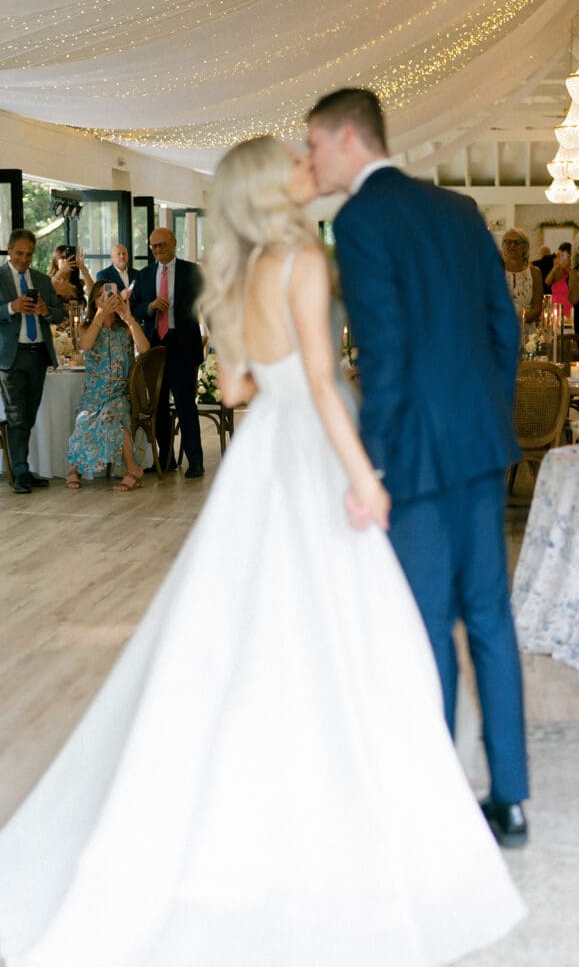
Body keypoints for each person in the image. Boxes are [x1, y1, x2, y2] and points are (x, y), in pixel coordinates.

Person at [0, 135, 526, 967]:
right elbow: (322, 383)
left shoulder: (239, 273)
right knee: (349, 618)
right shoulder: (304, 261)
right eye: (289, 162)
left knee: (248, 621)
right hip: (315, 449)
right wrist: (367, 476)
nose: (302, 166)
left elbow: (240, 387)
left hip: (259, 460)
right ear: (269, 188)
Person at [307, 87, 529, 846]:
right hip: (479, 444)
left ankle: (438, 801)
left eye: (313, 143)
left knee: (427, 624)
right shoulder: (461, 210)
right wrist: (486, 419)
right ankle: (513, 799)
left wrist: (376, 467)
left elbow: (386, 356)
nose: (310, 159)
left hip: (417, 455)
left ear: (346, 138)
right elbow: (507, 330)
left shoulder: (361, 220)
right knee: (492, 623)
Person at [130, 228, 205, 477]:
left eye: (162, 245)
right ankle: (166, 459)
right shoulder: (144, 275)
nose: (158, 250)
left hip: (182, 345)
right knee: (158, 406)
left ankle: (195, 460)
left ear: (174, 243)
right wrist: (150, 306)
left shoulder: (191, 271)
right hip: (155, 349)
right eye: (153, 247)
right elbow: (134, 309)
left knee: (185, 406)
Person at [65, 281, 150, 492]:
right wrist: (100, 316)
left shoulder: (125, 327)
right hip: (93, 394)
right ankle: (74, 469)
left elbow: (145, 348)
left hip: (120, 393)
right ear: (94, 301)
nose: (107, 298)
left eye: (109, 294)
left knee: (111, 417)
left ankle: (133, 469)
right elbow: (84, 345)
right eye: (101, 295)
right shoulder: (87, 325)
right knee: (83, 419)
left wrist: (129, 318)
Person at [0, 228, 64, 493]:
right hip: (10, 358)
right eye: (19, 253)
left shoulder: (41, 280)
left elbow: (58, 316)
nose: (24, 259)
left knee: (28, 416)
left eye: (29, 254)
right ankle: (21, 474)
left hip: (38, 355)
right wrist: (11, 307)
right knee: (16, 416)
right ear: (9, 249)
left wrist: (45, 310)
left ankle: (22, 468)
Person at [500, 226, 543, 327]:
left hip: (527, 330)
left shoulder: (534, 272)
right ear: (504, 246)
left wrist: (519, 320)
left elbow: (537, 308)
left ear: (525, 247)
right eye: (508, 242)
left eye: (517, 242)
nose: (512, 246)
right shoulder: (496, 271)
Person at [545, 241, 572, 315]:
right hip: (556, 308)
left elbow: (574, 282)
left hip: (569, 307)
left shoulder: (573, 271)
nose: (562, 258)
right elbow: (547, 282)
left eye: (564, 256)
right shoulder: (557, 271)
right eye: (560, 256)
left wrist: (567, 267)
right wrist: (555, 267)